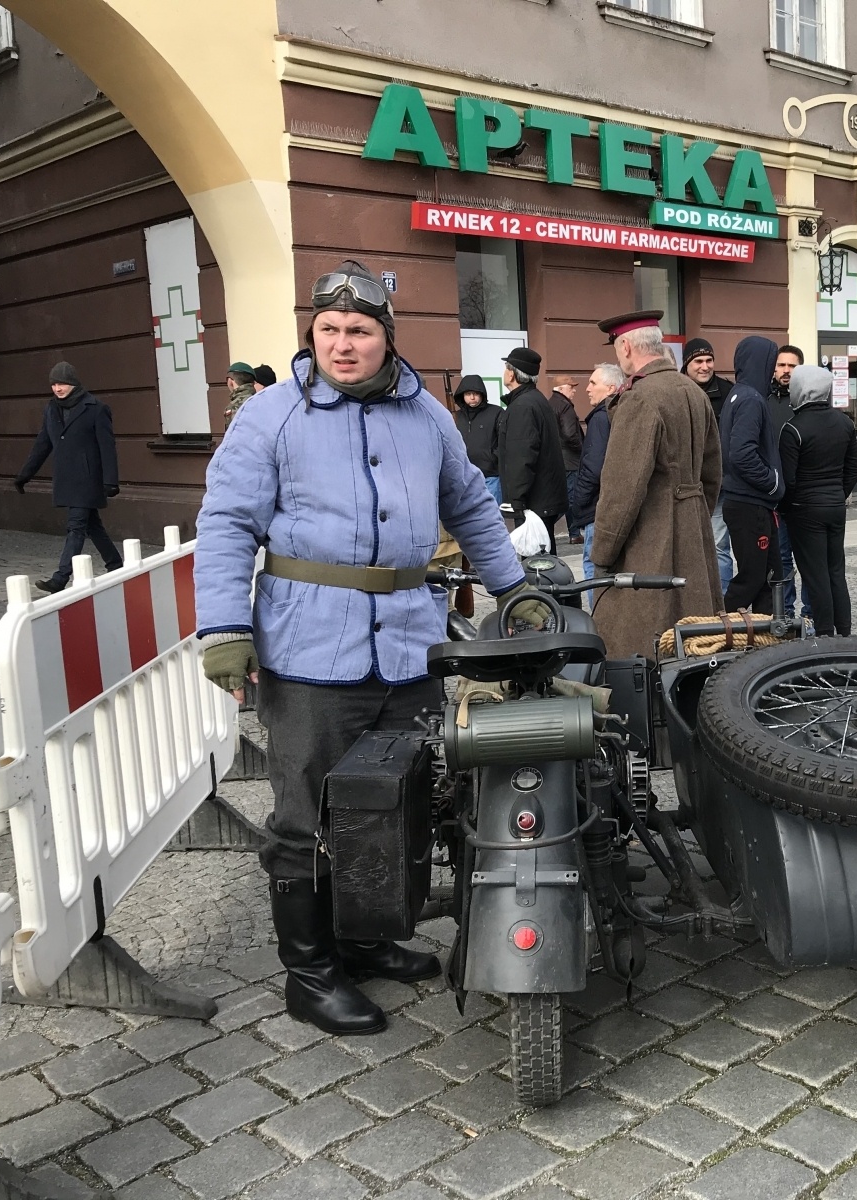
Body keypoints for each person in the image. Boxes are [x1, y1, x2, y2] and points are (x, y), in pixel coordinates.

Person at [195, 259, 540, 1036]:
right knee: (307, 815)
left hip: (410, 649)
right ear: (312, 335)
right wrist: (224, 629)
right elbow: (225, 524)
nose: (342, 345)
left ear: (386, 336)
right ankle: (311, 973)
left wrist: (514, 588)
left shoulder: (428, 417)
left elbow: (472, 506)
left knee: (396, 801)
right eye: (329, 330)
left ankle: (365, 936)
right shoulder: (271, 415)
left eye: (358, 330)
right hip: (310, 653)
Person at [589, 311, 722, 658]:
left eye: (617, 349)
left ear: (626, 347)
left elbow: (622, 489)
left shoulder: (639, 397)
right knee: (697, 641)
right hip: (695, 534)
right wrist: (694, 515)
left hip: (649, 542)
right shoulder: (693, 391)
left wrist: (603, 553)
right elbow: (712, 473)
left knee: (643, 646)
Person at [16, 362, 123, 594]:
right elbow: (43, 444)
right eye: (54, 384)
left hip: (88, 479)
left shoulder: (96, 408)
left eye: (62, 384)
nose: (58, 388)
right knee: (93, 526)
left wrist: (111, 481)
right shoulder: (51, 409)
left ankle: (60, 578)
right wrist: (25, 475)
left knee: (76, 527)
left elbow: (107, 447)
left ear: (73, 383)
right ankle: (116, 565)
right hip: (67, 478)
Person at [780, 364, 857, 636]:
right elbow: (856, 467)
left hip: (804, 510)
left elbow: (788, 479)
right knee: (836, 570)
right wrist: (838, 492)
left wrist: (786, 508)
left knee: (816, 575)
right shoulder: (845, 423)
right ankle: (845, 631)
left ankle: (825, 634)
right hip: (835, 507)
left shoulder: (793, 429)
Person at [721, 336, 785, 612]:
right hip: (751, 503)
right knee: (753, 578)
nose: (773, 371)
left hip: (750, 503)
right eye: (772, 363)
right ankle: (713, 628)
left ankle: (768, 632)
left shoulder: (740, 394)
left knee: (770, 578)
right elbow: (741, 454)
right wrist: (771, 482)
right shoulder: (750, 399)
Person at [497, 346, 568, 551]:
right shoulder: (535, 400)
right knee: (543, 559)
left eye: (506, 367)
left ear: (511, 373)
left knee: (537, 562)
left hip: (534, 503)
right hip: (542, 500)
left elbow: (522, 456)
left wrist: (517, 501)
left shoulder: (523, 406)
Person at [683, 338, 735, 591]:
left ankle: (721, 600)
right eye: (698, 361)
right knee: (684, 548)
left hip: (716, 484)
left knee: (718, 546)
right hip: (682, 485)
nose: (705, 366)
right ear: (687, 364)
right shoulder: (675, 389)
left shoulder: (728, 392)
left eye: (709, 360)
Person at [568, 362, 623, 583]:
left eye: (593, 383)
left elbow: (593, 467)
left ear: (610, 388)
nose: (587, 388)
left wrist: (579, 502)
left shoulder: (601, 418)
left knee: (593, 567)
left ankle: (597, 608)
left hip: (596, 508)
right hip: (609, 504)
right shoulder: (618, 413)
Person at [769, 345, 805, 615]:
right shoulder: (765, 401)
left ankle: (811, 614)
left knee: (807, 558)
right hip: (776, 495)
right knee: (781, 558)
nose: (786, 371)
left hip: (804, 495)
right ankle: (786, 612)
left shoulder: (808, 401)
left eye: (791, 366)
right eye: (781, 365)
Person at [452, 374, 503, 505]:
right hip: (464, 478)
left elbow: (504, 441)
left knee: (492, 514)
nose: (472, 397)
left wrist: (493, 459)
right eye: (468, 394)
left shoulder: (496, 413)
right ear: (462, 395)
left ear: (482, 394)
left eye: (476, 393)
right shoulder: (455, 417)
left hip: (490, 476)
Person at [547, 374, 586, 537]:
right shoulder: (565, 406)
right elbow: (570, 435)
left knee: (566, 497)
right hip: (570, 460)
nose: (574, 390)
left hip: (557, 460)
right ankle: (545, 526)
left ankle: (574, 533)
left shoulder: (550, 404)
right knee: (570, 498)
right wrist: (582, 450)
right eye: (571, 387)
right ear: (561, 389)